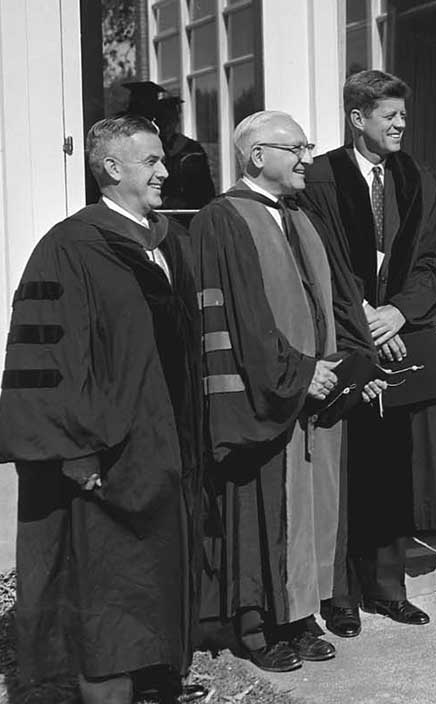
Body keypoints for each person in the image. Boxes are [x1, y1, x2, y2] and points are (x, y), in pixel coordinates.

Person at [0, 115, 203, 704]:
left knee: (151, 573)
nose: (167, 171)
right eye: (152, 162)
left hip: (162, 445)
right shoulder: (70, 246)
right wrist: (76, 448)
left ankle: (155, 681)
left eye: (163, 160)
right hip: (105, 456)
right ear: (112, 170)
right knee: (106, 587)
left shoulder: (167, 241)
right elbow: (52, 357)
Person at [190, 110, 377, 673]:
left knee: (312, 511)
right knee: (262, 514)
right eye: (296, 148)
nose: (307, 159)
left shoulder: (300, 216)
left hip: (315, 396)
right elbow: (241, 320)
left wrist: (349, 367)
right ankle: (256, 628)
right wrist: (299, 374)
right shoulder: (221, 220)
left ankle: (299, 617)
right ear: (256, 156)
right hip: (263, 401)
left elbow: (338, 299)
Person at [300, 69, 436, 638]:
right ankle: (340, 595)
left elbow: (432, 258)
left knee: (393, 473)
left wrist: (398, 311)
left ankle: (388, 589)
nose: (400, 125)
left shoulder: (420, 177)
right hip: (347, 340)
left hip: (402, 341)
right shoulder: (319, 177)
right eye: (389, 116)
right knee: (347, 474)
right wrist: (366, 316)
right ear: (356, 118)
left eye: (403, 116)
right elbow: (321, 260)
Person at [154, 96, 217, 213]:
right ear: (157, 121)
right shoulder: (151, 147)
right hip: (160, 212)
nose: (167, 125)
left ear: (177, 120)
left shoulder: (192, 149)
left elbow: (205, 187)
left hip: (189, 211)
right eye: (163, 119)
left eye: (171, 119)